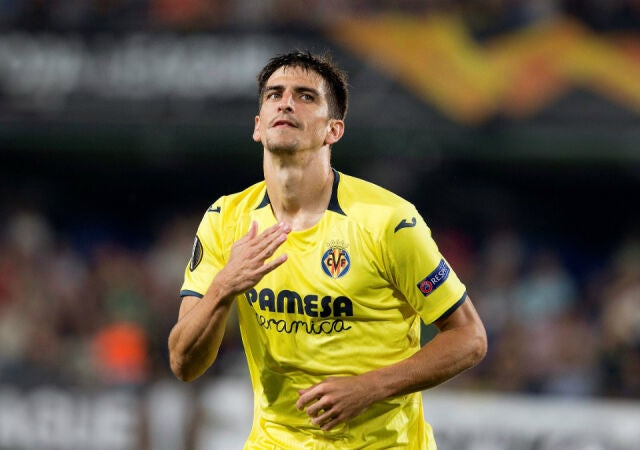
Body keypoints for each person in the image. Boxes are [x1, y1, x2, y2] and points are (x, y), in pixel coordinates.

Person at [168, 50, 487, 449]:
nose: (285, 102)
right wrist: (223, 288)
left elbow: (470, 338)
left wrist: (370, 387)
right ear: (258, 126)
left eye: (305, 96)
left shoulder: (387, 221)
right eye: (274, 94)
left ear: (333, 130)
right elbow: (183, 364)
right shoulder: (225, 220)